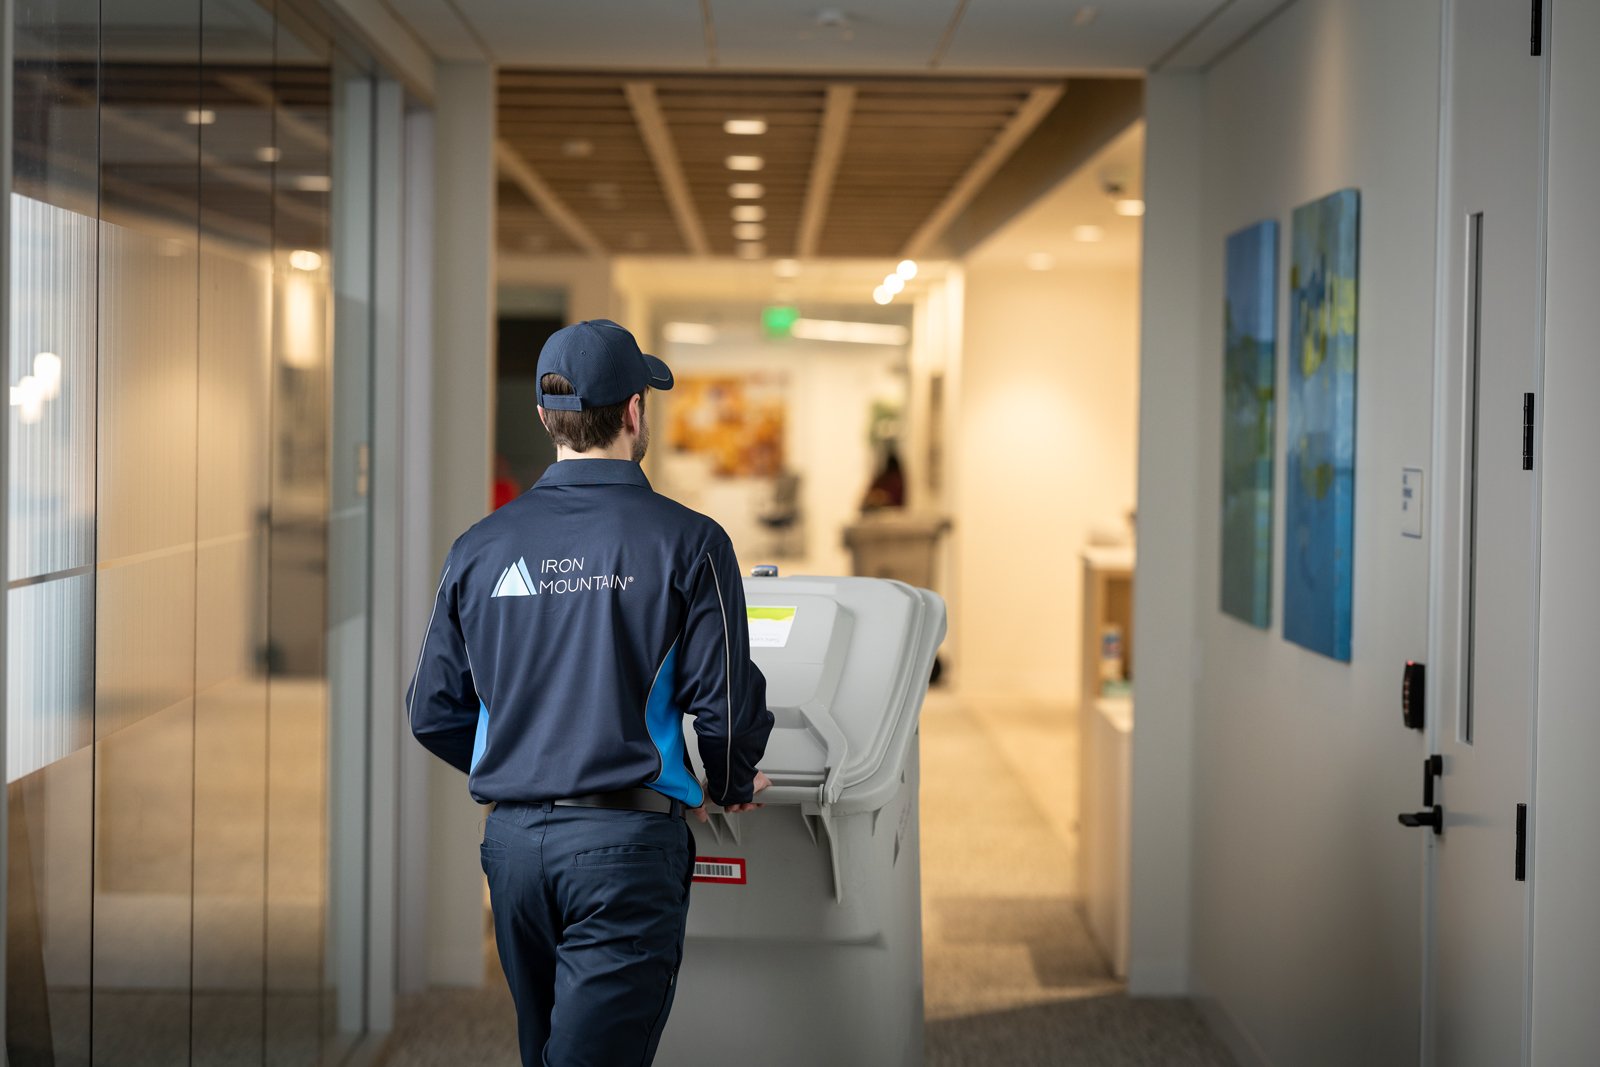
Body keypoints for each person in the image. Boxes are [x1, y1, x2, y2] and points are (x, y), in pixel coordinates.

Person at [407, 318, 774, 1066]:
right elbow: (726, 707)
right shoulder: (691, 542)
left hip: (513, 852)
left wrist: (524, 760)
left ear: (547, 418)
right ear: (635, 412)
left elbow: (431, 709)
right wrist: (731, 781)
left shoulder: (478, 548)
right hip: (625, 852)